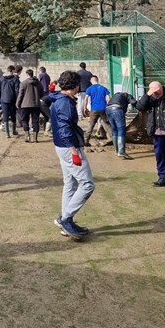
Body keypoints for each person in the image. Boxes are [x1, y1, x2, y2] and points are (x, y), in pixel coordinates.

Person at [46, 70, 94, 241]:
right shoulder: (65, 102)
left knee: (70, 183)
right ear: (75, 85)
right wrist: (73, 149)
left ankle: (67, 221)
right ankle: (65, 218)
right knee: (87, 184)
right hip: (69, 147)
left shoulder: (59, 98)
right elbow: (64, 127)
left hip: (62, 146)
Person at [105, 91, 137, 159]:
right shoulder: (128, 95)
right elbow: (134, 103)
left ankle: (117, 151)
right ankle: (122, 152)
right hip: (117, 110)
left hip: (108, 110)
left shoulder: (115, 95)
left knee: (114, 130)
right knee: (121, 130)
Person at [83, 75, 112, 146]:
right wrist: (108, 107)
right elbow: (108, 99)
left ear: (91, 81)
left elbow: (86, 99)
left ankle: (86, 141)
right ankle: (112, 139)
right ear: (97, 80)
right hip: (103, 109)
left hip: (94, 109)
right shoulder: (103, 88)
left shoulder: (89, 89)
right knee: (107, 124)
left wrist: (84, 108)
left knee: (91, 125)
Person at [17, 68, 44, 142]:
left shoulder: (23, 83)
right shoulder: (38, 83)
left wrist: (17, 103)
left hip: (25, 104)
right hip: (36, 105)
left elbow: (20, 95)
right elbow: (42, 93)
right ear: (32, 74)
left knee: (24, 120)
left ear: (27, 74)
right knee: (35, 121)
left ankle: (27, 136)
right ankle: (35, 138)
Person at [0, 65, 20, 138]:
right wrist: (18, 100)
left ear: (7, 70)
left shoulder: (1, 79)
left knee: (5, 116)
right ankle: (13, 131)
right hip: (12, 100)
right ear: (13, 71)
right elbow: (17, 91)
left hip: (3, 100)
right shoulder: (15, 79)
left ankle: (7, 133)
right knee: (13, 115)